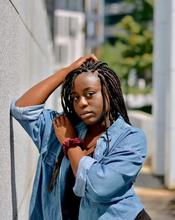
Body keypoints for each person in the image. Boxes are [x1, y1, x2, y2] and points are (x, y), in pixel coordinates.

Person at [10, 54, 151, 220]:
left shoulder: (130, 139)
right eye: (76, 96)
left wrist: (70, 143)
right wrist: (68, 71)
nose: (81, 103)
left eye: (89, 94)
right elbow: (23, 110)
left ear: (109, 94)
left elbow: (98, 187)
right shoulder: (63, 128)